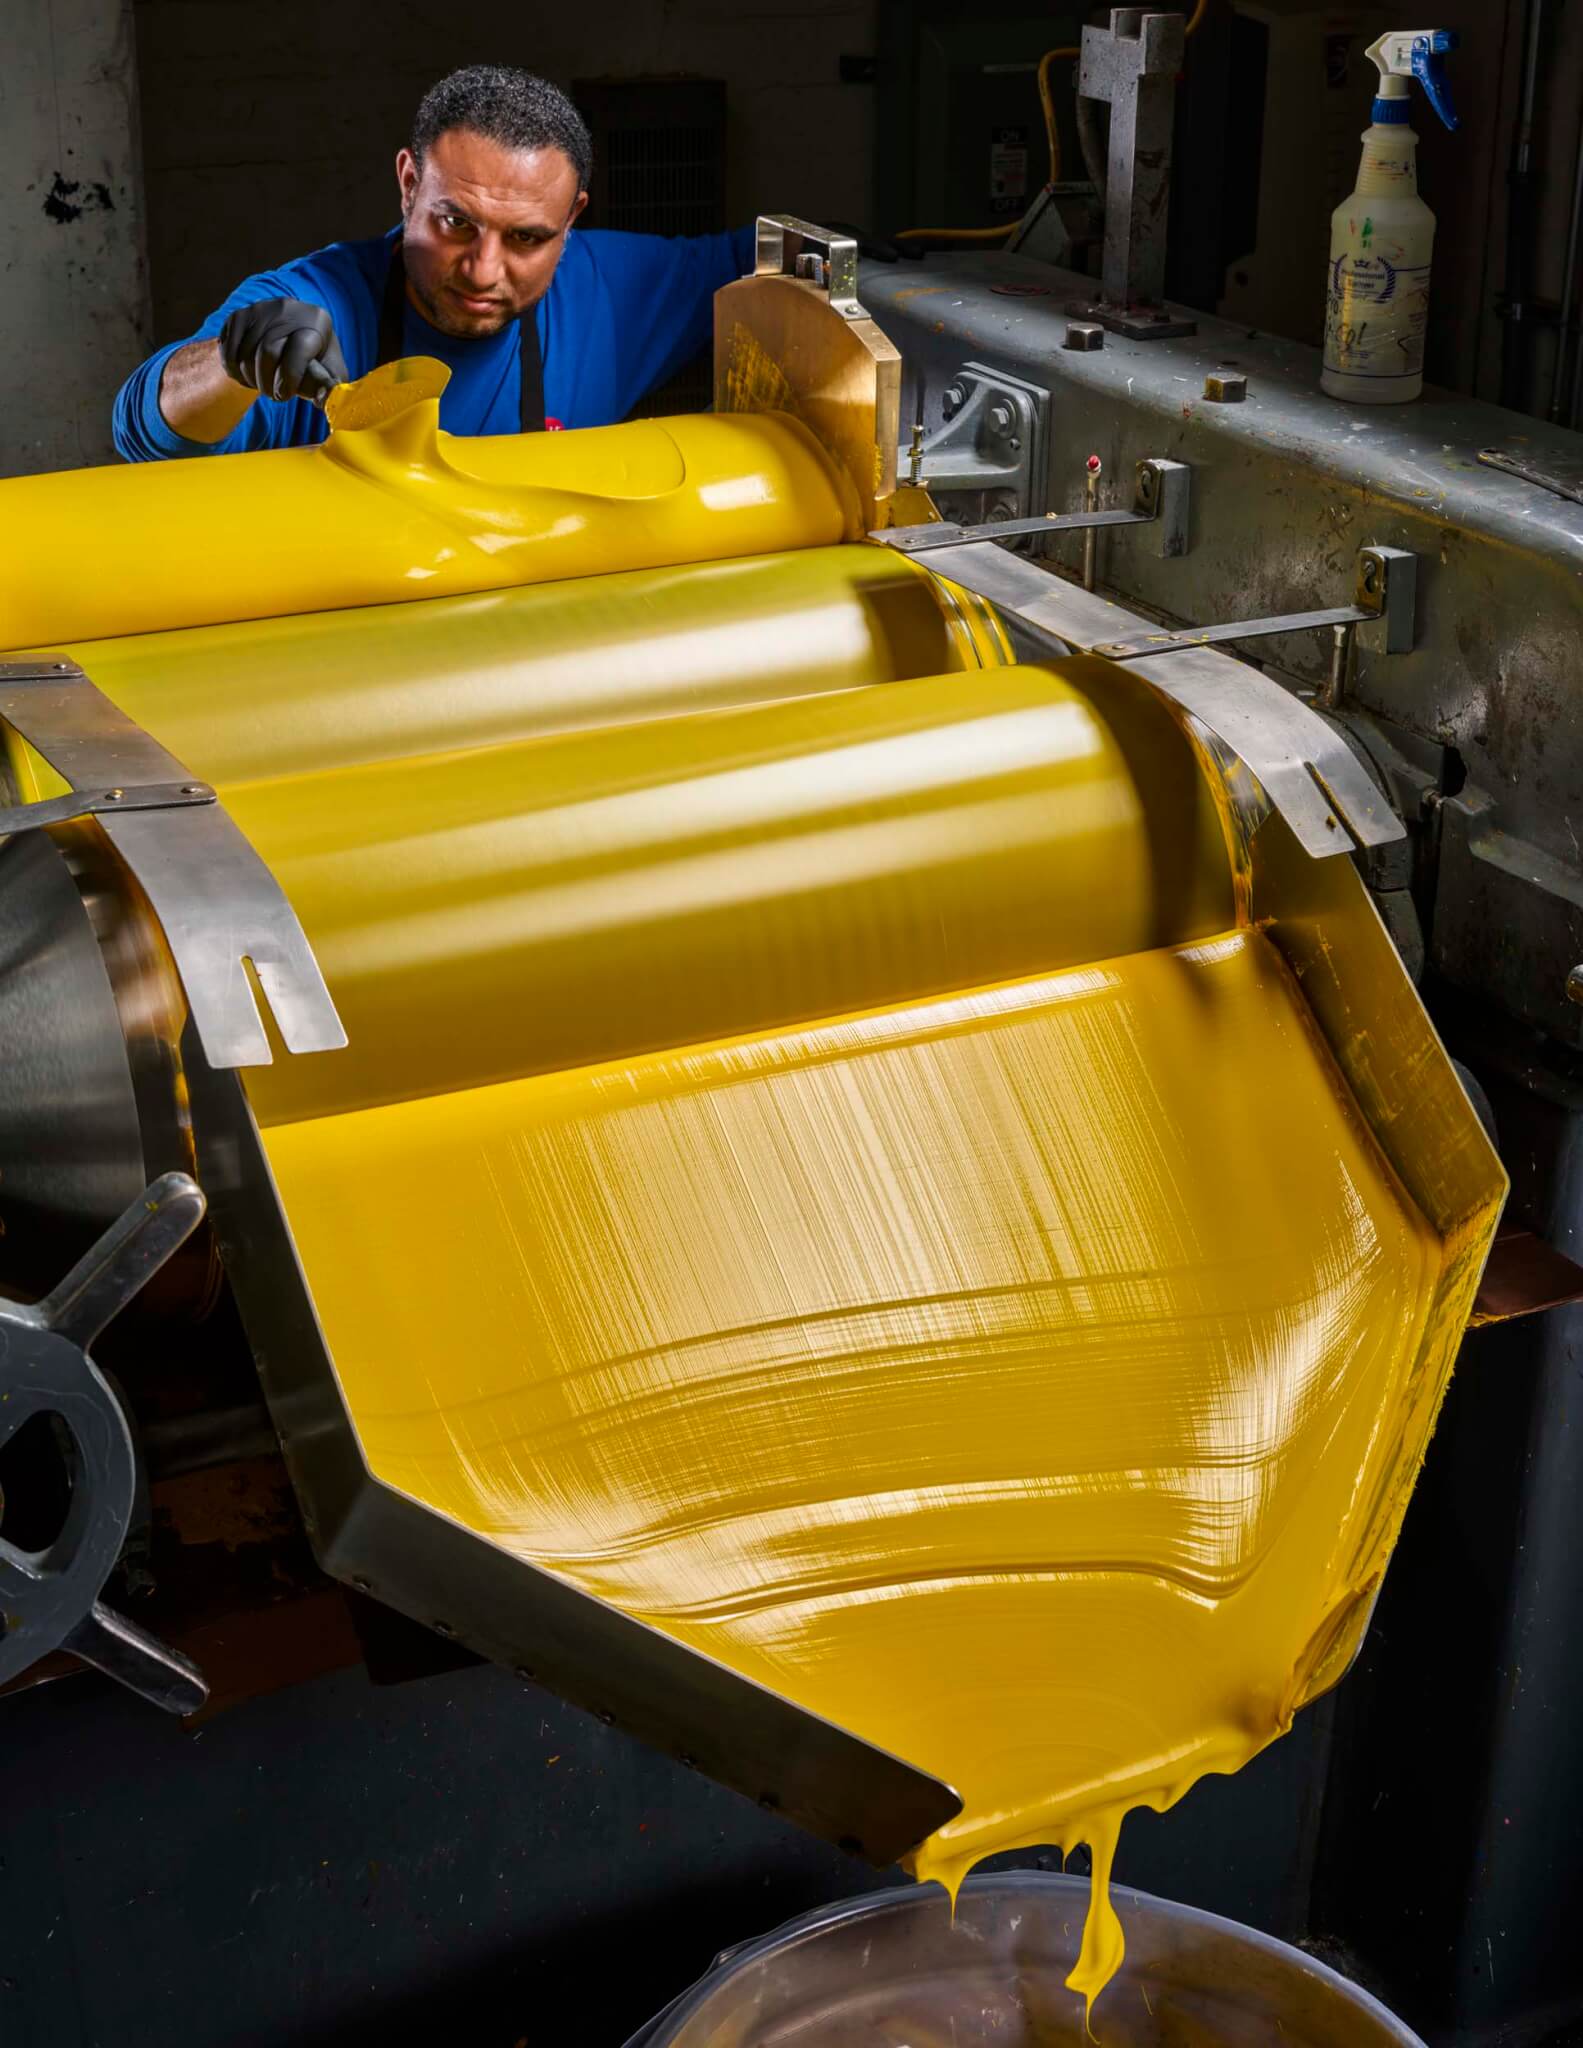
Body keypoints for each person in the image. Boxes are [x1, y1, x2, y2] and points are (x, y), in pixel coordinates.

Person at [112, 65, 756, 460]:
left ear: (572, 218)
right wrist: (232, 362)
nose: (482, 269)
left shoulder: (617, 286)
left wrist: (846, 260)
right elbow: (144, 431)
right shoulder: (321, 305)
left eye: (528, 238)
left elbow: (761, 257)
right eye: (457, 224)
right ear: (408, 183)